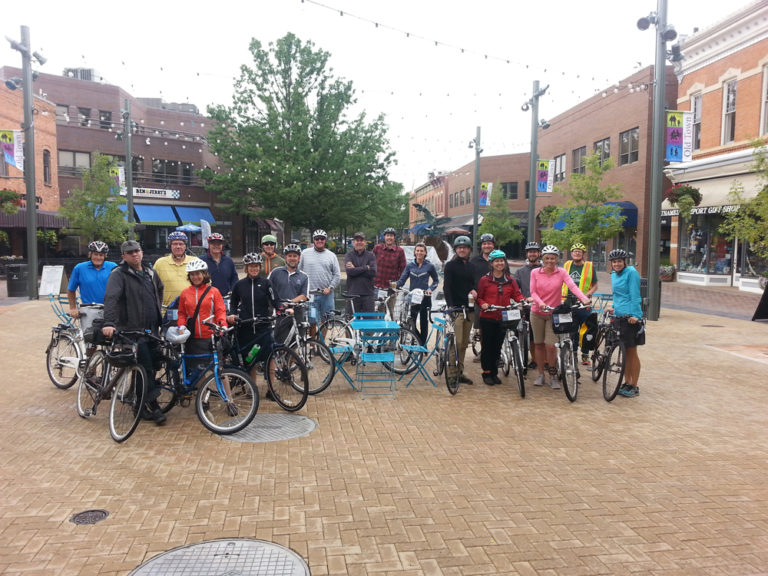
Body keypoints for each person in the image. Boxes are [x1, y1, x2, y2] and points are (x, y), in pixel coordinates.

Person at [102, 240, 166, 425]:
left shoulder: (150, 272)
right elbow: (111, 298)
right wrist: (109, 322)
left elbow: (159, 290)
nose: (135, 255)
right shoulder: (119, 274)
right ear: (123, 256)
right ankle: (154, 407)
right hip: (131, 331)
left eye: (137, 251)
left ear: (142, 252)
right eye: (130, 253)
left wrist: (157, 310)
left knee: (152, 368)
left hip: (152, 330)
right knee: (145, 368)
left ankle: (139, 404)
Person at [530, 245, 591, 389]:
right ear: (543, 259)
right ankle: (540, 374)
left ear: (557, 259)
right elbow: (532, 292)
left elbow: (573, 287)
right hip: (537, 313)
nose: (550, 261)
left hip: (553, 314)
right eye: (547, 258)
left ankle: (552, 375)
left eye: (553, 258)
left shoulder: (562, 272)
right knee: (538, 344)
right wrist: (541, 303)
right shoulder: (535, 272)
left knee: (551, 346)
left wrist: (584, 298)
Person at [227, 253, 279, 385]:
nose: (254, 269)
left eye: (256, 266)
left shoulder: (267, 283)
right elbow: (233, 303)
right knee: (250, 359)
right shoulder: (239, 285)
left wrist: (282, 309)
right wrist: (232, 314)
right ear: (246, 268)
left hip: (263, 325)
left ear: (259, 267)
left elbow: (275, 301)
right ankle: (252, 388)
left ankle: (271, 389)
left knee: (269, 357)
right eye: (251, 266)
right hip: (246, 326)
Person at [476, 250, 526, 385]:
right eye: (496, 261)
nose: (499, 263)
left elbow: (516, 295)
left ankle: (494, 372)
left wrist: (522, 300)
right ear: (491, 263)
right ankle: (486, 372)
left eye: (501, 261)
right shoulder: (485, 280)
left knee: (497, 346)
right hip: (488, 317)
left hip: (503, 316)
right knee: (487, 346)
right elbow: (479, 297)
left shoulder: (510, 279)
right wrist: (483, 304)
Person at [607, 249, 645, 398]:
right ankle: (626, 382)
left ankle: (634, 385)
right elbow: (618, 296)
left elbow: (635, 294)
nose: (617, 264)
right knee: (624, 352)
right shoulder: (614, 275)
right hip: (619, 316)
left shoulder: (631, 272)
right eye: (614, 262)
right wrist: (613, 307)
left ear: (625, 261)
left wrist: (636, 315)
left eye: (619, 261)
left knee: (631, 352)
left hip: (630, 317)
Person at [442, 235, 476, 385]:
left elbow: (474, 284)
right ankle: (451, 374)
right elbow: (446, 287)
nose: (462, 250)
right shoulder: (450, 265)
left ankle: (460, 372)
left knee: (463, 344)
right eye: (459, 247)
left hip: (469, 309)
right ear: (456, 249)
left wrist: (475, 290)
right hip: (456, 309)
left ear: (469, 250)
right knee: (456, 342)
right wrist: (450, 306)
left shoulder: (471, 266)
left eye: (465, 247)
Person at [176, 260, 227, 356]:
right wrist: (181, 325)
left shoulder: (214, 291)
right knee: (194, 368)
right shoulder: (185, 293)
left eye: (198, 274)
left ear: (204, 274)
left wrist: (223, 325)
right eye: (192, 274)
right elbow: (182, 313)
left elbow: (220, 311)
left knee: (213, 368)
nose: (195, 277)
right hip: (192, 338)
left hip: (211, 337)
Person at [561, 242, 599, 365]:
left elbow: (595, 286)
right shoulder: (566, 265)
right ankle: (573, 353)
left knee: (586, 328)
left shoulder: (589, 266)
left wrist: (586, 296)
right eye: (574, 251)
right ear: (571, 253)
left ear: (583, 254)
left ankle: (585, 353)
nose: (577, 253)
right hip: (568, 302)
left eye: (579, 251)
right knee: (572, 329)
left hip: (583, 303)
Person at [299, 229, 340, 336]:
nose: (319, 241)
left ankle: (321, 346)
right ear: (314, 240)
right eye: (317, 239)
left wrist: (330, 287)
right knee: (312, 322)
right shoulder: (304, 253)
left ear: (325, 240)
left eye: (322, 238)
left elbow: (337, 275)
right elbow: (299, 272)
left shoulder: (332, 255)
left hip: (326, 295)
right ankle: (313, 344)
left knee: (326, 321)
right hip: (310, 295)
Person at [396, 242, 439, 344]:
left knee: (424, 324)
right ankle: (418, 341)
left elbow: (436, 281)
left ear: (425, 253)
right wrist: (395, 285)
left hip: (425, 298)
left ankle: (423, 347)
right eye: (417, 250)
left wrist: (430, 289)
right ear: (414, 252)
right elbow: (402, 280)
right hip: (413, 299)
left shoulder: (430, 266)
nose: (419, 253)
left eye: (421, 251)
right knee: (412, 323)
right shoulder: (409, 266)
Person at [269, 243, 310, 345]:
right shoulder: (275, 272)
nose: (292, 258)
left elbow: (304, 296)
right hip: (281, 313)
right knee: (279, 342)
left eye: (295, 256)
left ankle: (291, 361)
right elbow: (268, 290)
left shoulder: (304, 276)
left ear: (299, 258)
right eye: (290, 256)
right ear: (285, 257)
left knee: (296, 343)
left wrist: (289, 303)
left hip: (298, 313)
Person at [67, 240, 117, 317]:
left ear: (105, 256)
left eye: (101, 255)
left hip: (110, 309)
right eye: (95, 254)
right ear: (90, 254)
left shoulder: (112, 267)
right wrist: (73, 308)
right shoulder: (79, 268)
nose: (98, 257)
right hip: (89, 310)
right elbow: (71, 289)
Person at [468, 233, 496, 361]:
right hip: (480, 299)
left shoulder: (499, 259)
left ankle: (496, 351)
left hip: (497, 298)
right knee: (483, 328)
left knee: (497, 327)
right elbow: (467, 277)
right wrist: (471, 289)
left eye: (489, 243)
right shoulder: (474, 261)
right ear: (481, 246)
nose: (487, 246)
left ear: (493, 245)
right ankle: (484, 352)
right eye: (484, 244)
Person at [514, 241, 542, 369]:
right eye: (530, 252)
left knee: (544, 337)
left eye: (535, 251)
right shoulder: (520, 272)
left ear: (539, 253)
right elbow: (515, 288)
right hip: (528, 307)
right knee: (531, 337)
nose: (532, 254)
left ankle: (546, 361)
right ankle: (535, 360)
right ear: (527, 254)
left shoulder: (545, 269)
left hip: (544, 307)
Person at [153, 231, 199, 307]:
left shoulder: (195, 261)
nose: (178, 246)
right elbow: (152, 285)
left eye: (181, 244)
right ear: (170, 246)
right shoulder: (160, 263)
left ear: (185, 246)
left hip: (191, 309)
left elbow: (205, 284)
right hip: (166, 310)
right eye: (174, 244)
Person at [373, 227, 406, 318]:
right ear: (384, 237)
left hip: (391, 288)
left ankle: (390, 332)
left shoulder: (400, 251)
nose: (389, 238)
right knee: (378, 313)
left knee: (391, 313)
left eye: (391, 236)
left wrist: (398, 283)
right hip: (377, 286)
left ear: (394, 238)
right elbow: (371, 263)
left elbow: (403, 269)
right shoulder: (377, 248)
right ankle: (379, 332)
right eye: (387, 235)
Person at [344, 232, 377, 315]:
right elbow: (350, 272)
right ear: (353, 242)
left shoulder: (371, 255)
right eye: (357, 240)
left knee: (369, 324)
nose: (359, 242)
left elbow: (373, 272)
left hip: (368, 294)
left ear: (365, 242)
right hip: (352, 294)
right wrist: (366, 267)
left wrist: (356, 268)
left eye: (361, 240)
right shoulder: (349, 255)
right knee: (351, 323)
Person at [200, 233, 239, 298]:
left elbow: (234, 278)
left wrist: (233, 290)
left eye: (219, 244)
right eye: (213, 244)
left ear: (222, 245)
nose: (216, 246)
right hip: (207, 297)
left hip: (226, 297)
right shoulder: (201, 260)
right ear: (209, 245)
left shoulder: (228, 261)